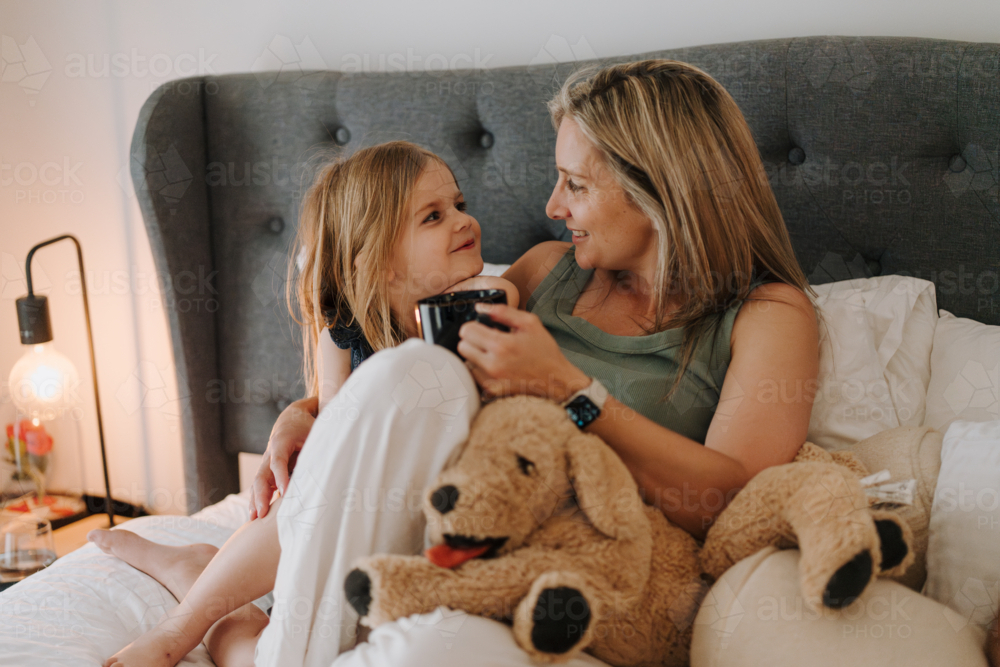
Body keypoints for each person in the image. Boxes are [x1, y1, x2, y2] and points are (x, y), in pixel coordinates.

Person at [93, 59, 820, 667]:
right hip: (448, 534)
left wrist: (567, 387)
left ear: (660, 187)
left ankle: (237, 628)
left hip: (568, 576)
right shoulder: (544, 272)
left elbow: (733, 502)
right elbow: (407, 386)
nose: (552, 205)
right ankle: (217, 621)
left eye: (575, 183)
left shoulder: (767, 315)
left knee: (426, 651)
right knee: (432, 371)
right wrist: (308, 410)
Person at [89, 139, 517, 667]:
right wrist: (302, 415)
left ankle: (195, 569)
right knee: (264, 608)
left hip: (425, 529)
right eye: (433, 216)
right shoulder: (344, 336)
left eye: (460, 204)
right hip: (332, 527)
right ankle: (177, 627)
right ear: (377, 261)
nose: (462, 221)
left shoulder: (494, 295)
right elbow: (330, 458)